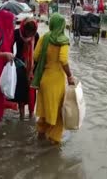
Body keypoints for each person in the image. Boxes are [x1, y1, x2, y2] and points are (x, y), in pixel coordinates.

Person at [32, 13, 74, 144]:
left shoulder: (44, 37)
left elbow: (36, 56)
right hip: (56, 81)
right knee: (57, 113)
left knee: (44, 111)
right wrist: (70, 76)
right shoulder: (63, 40)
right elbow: (63, 59)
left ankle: (40, 136)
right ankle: (54, 141)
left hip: (44, 80)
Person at [12, 18, 39, 119]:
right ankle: (22, 115)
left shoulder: (36, 35)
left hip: (31, 68)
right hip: (19, 67)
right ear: (24, 29)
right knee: (21, 93)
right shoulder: (17, 33)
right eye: (28, 32)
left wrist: (33, 68)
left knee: (32, 92)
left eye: (31, 33)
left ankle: (31, 114)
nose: (29, 35)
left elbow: (37, 52)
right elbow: (10, 48)